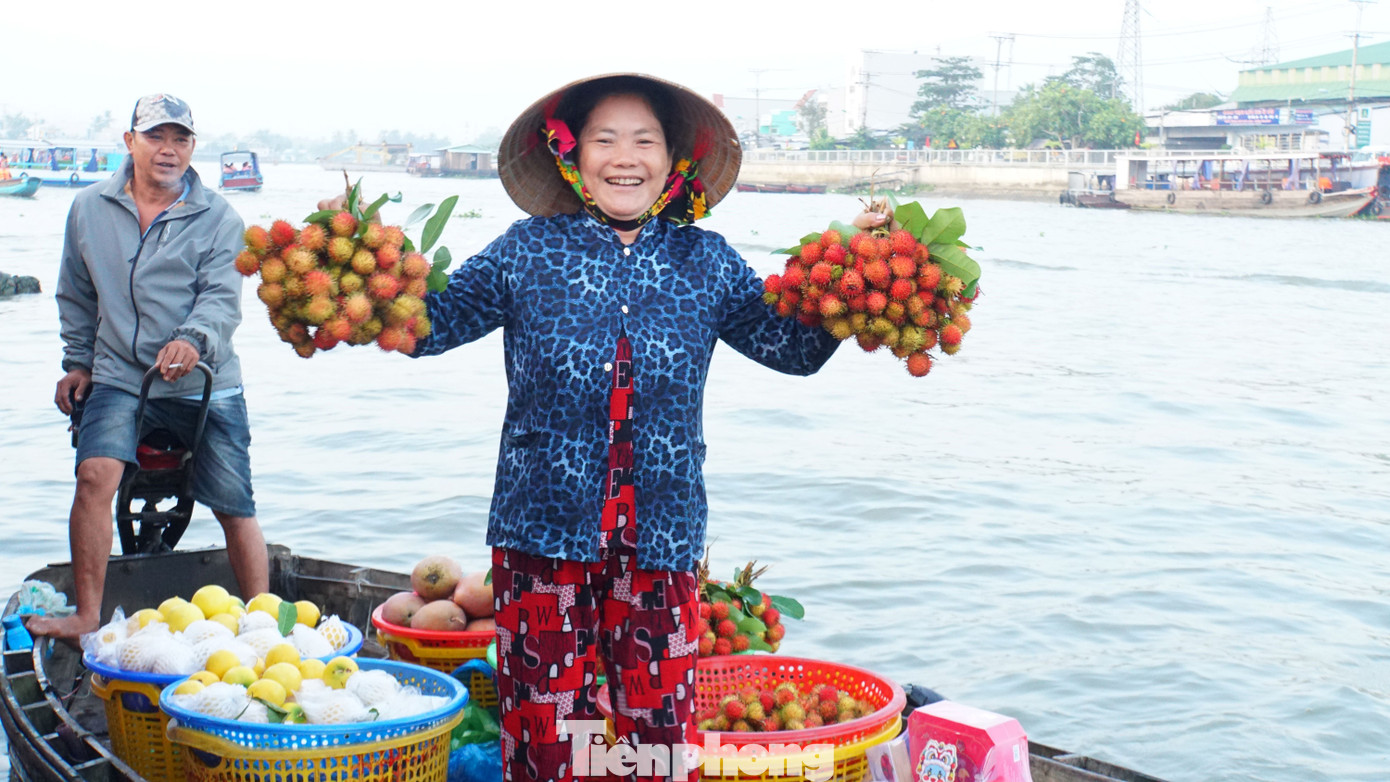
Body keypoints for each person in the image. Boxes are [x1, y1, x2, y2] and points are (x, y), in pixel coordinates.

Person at [345, 73, 886, 782]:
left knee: (659, 734)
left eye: (644, 140)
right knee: (543, 734)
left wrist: (860, 273)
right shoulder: (525, 251)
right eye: (604, 139)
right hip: (542, 532)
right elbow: (428, 326)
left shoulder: (708, 262)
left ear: (672, 161)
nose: (623, 157)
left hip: (660, 538)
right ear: (572, 156)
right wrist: (351, 256)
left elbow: (794, 350)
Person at [29, 94, 269, 642]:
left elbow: (221, 301)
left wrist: (192, 339)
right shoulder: (89, 207)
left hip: (205, 380)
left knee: (235, 503)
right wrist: (78, 362)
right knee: (94, 477)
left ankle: (264, 624)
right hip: (120, 375)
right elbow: (76, 292)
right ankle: (87, 616)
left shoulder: (219, 217)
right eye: (155, 137)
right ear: (129, 142)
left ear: (191, 148)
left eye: (180, 139)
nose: (168, 149)